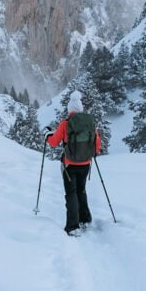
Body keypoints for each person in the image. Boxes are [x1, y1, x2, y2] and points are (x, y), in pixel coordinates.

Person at [44, 91, 101, 235]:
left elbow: (54, 142)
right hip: (85, 164)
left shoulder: (65, 124)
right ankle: (85, 219)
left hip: (69, 165)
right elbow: (97, 146)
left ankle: (73, 226)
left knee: (71, 193)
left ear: (70, 110)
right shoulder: (89, 124)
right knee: (81, 190)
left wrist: (47, 135)